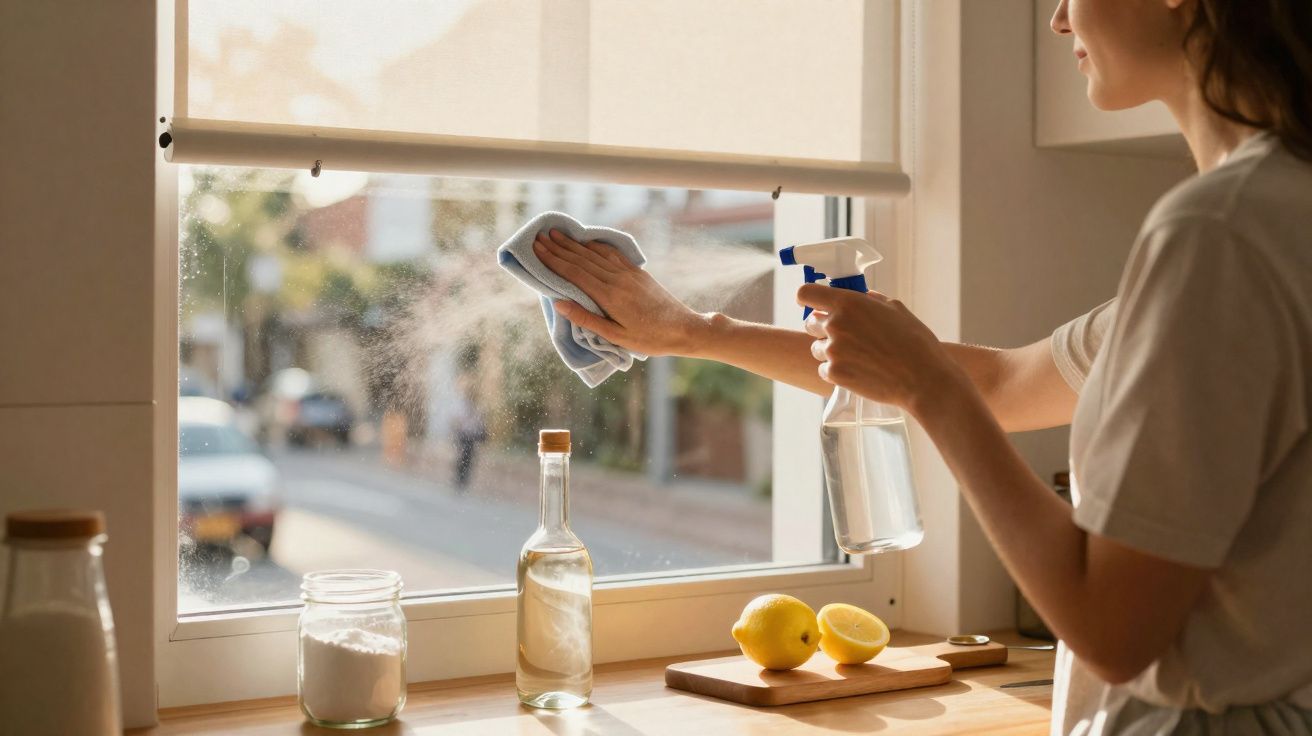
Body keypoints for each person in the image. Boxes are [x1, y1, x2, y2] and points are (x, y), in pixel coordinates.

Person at [530, 0, 1312, 732]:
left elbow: (1114, 628)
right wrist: (695, 333)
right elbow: (1006, 383)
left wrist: (928, 388)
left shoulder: (1220, 234)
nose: (1058, 17)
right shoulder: (1273, 215)